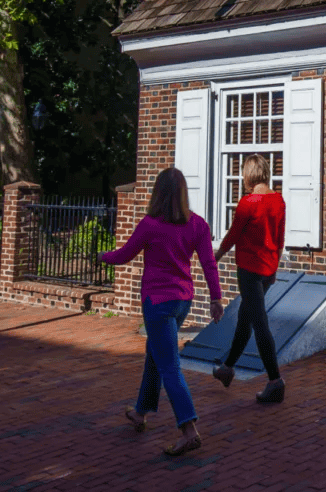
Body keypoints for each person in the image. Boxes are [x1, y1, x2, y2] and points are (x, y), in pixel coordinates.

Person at [100, 167, 224, 457]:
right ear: (183, 193)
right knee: (154, 353)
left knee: (169, 365)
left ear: (158, 193)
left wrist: (103, 256)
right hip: (183, 301)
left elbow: (125, 254)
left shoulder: (150, 225)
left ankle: (189, 430)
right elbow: (209, 264)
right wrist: (216, 299)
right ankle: (141, 412)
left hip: (157, 304)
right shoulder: (198, 226)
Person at [212, 153, 286, 403]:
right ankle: (227, 368)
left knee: (259, 324)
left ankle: (275, 381)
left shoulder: (248, 203)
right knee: (246, 318)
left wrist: (218, 255)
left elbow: (233, 235)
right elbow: (279, 239)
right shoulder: (279, 201)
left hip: (249, 270)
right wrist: (274, 269)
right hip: (266, 271)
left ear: (249, 175)